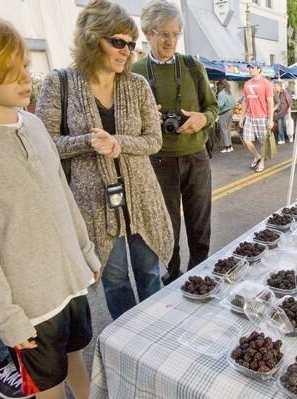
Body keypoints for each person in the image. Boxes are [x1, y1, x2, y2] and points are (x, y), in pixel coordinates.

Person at [0, 11, 102, 398]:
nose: (25, 76)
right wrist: (6, 316)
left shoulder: (35, 125)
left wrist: (85, 252)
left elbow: (63, 196)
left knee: (77, 354)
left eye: (24, 64)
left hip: (70, 281)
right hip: (30, 304)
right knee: (48, 383)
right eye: (8, 69)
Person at [37, 0, 174, 319]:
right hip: (95, 205)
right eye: (117, 42)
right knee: (115, 281)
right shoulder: (60, 83)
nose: (126, 50)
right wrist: (88, 142)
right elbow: (44, 144)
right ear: (91, 38)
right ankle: (127, 340)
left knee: (150, 273)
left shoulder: (137, 85)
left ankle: (156, 329)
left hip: (141, 198)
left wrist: (118, 143)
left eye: (130, 43)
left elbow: (154, 140)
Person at [132, 0, 218, 285]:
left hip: (196, 157)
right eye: (163, 33)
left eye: (175, 34)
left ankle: (200, 276)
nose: (170, 41)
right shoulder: (135, 72)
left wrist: (201, 119)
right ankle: (172, 281)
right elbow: (126, 122)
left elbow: (213, 108)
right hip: (158, 162)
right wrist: (146, 119)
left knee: (199, 225)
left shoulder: (193, 66)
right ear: (147, 32)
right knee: (166, 227)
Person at [239, 64, 274, 173]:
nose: (250, 70)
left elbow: (270, 102)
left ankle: (262, 162)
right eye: (249, 68)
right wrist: (242, 117)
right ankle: (257, 155)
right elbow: (245, 101)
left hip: (262, 117)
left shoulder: (266, 83)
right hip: (250, 116)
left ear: (259, 69)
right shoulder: (247, 84)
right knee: (246, 139)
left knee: (263, 142)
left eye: (252, 68)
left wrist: (270, 119)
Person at [216, 79, 235, 153]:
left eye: (218, 86)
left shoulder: (221, 93)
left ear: (221, 85)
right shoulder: (228, 92)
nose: (217, 87)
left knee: (223, 130)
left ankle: (226, 147)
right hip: (230, 111)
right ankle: (230, 146)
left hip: (224, 112)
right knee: (228, 129)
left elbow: (220, 105)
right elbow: (234, 102)